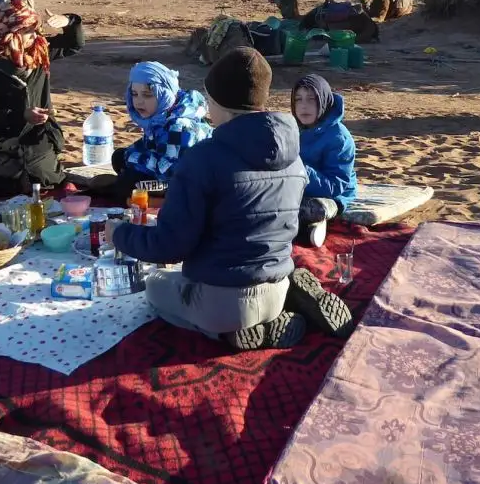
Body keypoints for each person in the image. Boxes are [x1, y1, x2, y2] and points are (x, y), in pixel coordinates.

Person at [108, 47, 351, 350]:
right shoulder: (294, 157)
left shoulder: (203, 159)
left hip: (223, 301)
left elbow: (170, 246)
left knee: (156, 287)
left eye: (209, 99)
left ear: (217, 101)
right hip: (277, 286)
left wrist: (120, 234)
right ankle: (273, 315)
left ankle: (226, 333)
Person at [0, 0, 84, 195]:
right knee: (0, 179)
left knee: (43, 175)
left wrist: (69, 22)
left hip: (38, 135)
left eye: (35, 29)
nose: (35, 36)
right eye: (27, 31)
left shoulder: (39, 50)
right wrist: (21, 115)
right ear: (8, 33)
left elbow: (74, 44)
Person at [110, 61, 211, 200]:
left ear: (165, 94)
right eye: (134, 94)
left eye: (147, 95)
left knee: (127, 184)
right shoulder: (160, 117)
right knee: (119, 157)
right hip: (166, 167)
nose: (139, 101)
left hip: (186, 181)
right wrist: (129, 155)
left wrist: (132, 159)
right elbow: (148, 144)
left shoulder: (179, 125)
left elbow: (168, 170)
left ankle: (160, 202)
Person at [291, 74, 358, 247]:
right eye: (298, 99)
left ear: (323, 101)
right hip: (299, 186)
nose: (304, 106)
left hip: (332, 195)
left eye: (311, 99)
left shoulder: (339, 138)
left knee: (313, 209)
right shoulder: (292, 128)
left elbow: (336, 185)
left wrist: (300, 171)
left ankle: (315, 226)